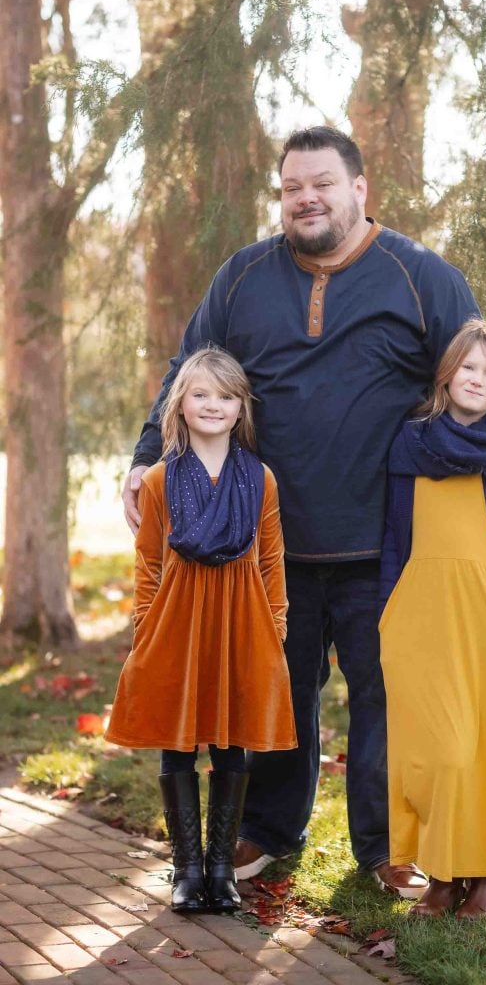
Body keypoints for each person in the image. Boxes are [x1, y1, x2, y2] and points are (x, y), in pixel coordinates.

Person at [122, 126, 486, 898]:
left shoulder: (418, 274)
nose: (306, 198)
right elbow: (187, 367)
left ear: (360, 188)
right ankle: (267, 830)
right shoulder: (242, 277)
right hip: (262, 538)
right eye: (292, 187)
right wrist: (143, 457)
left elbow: (482, 368)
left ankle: (388, 845)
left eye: (321, 183)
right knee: (275, 689)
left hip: (384, 541)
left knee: (387, 699)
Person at [107, 348, 296, 914]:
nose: (213, 405)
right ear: (180, 407)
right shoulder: (162, 479)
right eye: (201, 395)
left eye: (226, 396)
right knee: (179, 738)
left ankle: (221, 869)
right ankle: (187, 869)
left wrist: (276, 624)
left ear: (241, 409)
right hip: (177, 619)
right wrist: (146, 629)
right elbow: (149, 564)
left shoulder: (259, 478)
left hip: (243, 620)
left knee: (232, 737)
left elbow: (271, 558)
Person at [378, 319, 486, 917]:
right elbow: (395, 539)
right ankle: (441, 868)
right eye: (468, 367)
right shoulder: (412, 444)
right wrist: (387, 614)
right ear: (448, 372)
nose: (477, 379)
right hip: (424, 615)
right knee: (441, 750)